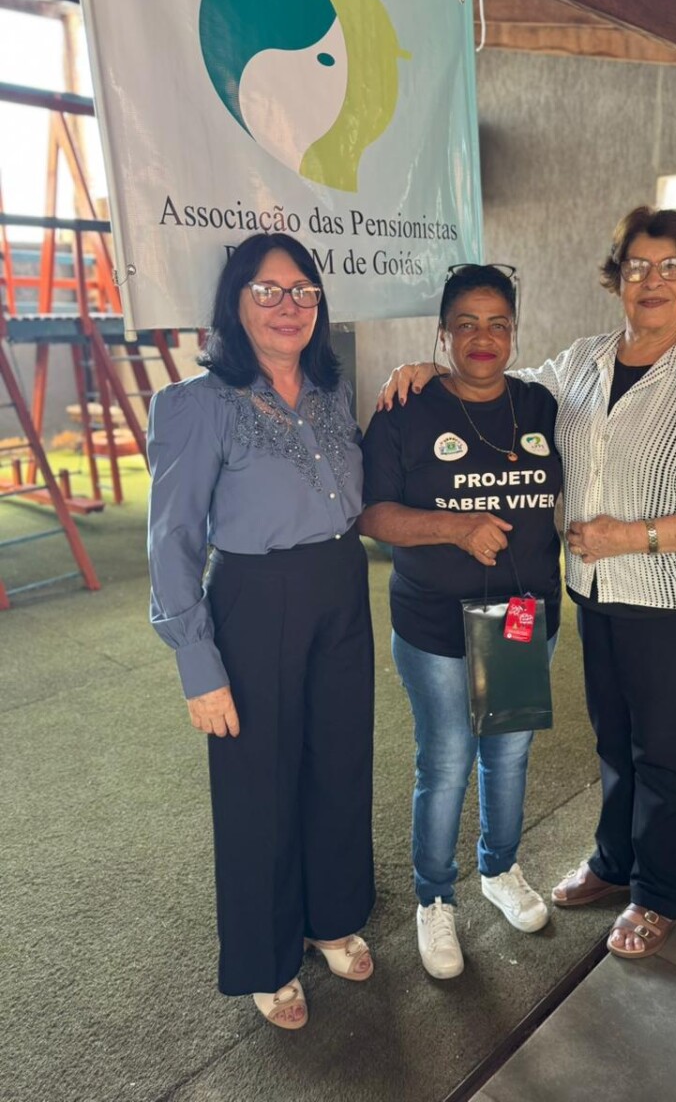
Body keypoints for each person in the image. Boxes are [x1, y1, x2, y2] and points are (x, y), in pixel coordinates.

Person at [377, 208, 676, 960]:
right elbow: (498, 379)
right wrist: (430, 370)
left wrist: (629, 536)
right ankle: (614, 861)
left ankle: (659, 893)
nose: (652, 281)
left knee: (665, 752)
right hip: (599, 597)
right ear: (617, 278)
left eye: (671, 266)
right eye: (637, 267)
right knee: (615, 741)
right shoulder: (587, 361)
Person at [147, 233, 375, 1029]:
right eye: (268, 290)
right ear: (235, 303)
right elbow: (172, 541)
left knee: (339, 763)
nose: (289, 306)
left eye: (303, 290)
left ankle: (330, 917)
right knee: (259, 789)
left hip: (342, 585)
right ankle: (267, 957)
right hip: (256, 597)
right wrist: (198, 665)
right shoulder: (197, 404)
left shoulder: (331, 392)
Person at [358, 263, 563, 978]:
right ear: (442, 333)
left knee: (507, 754)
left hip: (520, 617)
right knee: (445, 760)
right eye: (467, 323)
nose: (484, 337)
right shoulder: (405, 408)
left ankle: (499, 870)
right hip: (434, 624)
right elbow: (371, 513)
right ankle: (435, 898)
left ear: (514, 332)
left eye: (498, 323)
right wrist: (454, 528)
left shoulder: (541, 405)